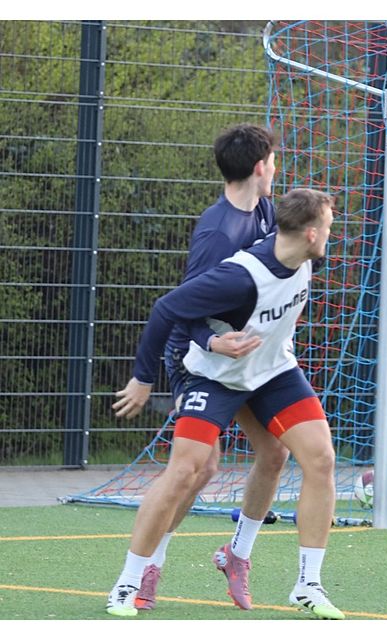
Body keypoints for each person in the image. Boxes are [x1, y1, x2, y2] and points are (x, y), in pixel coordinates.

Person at [108, 189, 342, 619]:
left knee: (319, 458)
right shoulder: (239, 276)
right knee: (187, 470)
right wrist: (143, 378)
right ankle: (129, 580)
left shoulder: (306, 254)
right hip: (214, 376)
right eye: (328, 227)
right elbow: (167, 309)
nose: (332, 234)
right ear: (311, 233)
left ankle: (306, 583)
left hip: (273, 372)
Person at [112, 123, 289, 611]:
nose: (277, 168)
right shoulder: (217, 234)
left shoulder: (266, 210)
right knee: (198, 467)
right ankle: (146, 567)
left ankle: (238, 554)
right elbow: (180, 309)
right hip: (197, 356)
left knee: (275, 452)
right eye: (274, 161)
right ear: (260, 167)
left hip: (246, 357)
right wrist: (151, 372)